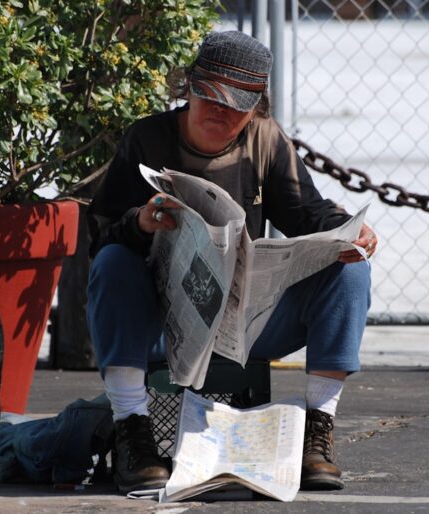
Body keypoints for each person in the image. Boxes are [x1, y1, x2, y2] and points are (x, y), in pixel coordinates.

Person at [86, 30, 377, 494]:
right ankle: (131, 432)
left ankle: (318, 432)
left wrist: (348, 230)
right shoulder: (147, 137)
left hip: (246, 324)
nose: (220, 112)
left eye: (235, 105)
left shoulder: (266, 140)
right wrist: (140, 222)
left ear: (255, 107)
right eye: (210, 97)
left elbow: (307, 214)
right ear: (189, 87)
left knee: (350, 268)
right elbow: (99, 235)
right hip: (160, 327)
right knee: (113, 263)